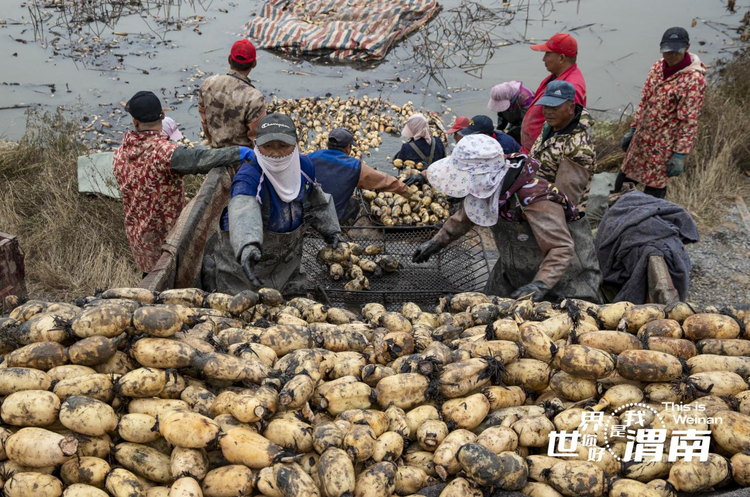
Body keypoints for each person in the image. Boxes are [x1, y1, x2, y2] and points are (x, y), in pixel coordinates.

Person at [411, 134, 602, 303]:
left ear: (482, 176)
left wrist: (541, 284)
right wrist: (437, 241)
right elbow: (466, 216)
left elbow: (560, 248)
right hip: (514, 268)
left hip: (564, 278)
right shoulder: (489, 187)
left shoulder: (536, 198)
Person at [113, 91, 253, 276]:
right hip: (167, 237)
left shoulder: (120, 153)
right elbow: (199, 159)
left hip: (138, 236)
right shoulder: (164, 153)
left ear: (135, 122)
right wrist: (238, 153)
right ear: (163, 115)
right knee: (170, 278)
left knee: (150, 278)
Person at [208, 113, 341, 295]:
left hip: (286, 264)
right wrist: (247, 246)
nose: (276, 153)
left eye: (283, 146)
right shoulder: (250, 176)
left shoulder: (303, 167)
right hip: (244, 268)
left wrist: (330, 228)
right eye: (268, 146)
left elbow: (315, 199)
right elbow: (242, 208)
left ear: (295, 144)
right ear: (256, 145)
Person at [615, 27, 707, 199]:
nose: (671, 55)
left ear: (686, 47)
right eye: (667, 51)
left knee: (652, 195)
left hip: (663, 148)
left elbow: (688, 121)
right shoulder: (657, 67)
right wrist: (633, 130)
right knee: (622, 186)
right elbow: (644, 102)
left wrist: (680, 154)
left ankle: (649, 223)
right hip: (641, 140)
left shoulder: (694, 80)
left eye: (676, 51)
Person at [309, 128, 413, 225]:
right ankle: (339, 230)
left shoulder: (310, 157)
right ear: (347, 148)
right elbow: (383, 180)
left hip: (307, 214)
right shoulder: (353, 166)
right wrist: (407, 191)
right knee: (354, 203)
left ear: (328, 144)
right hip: (329, 219)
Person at [529, 80, 595, 211]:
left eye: (554, 107)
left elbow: (565, 200)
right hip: (536, 199)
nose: (548, 112)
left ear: (571, 107)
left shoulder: (578, 149)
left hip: (557, 216)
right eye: (545, 106)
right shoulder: (550, 126)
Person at [521, 33, 586, 153]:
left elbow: (567, 128)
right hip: (532, 150)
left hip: (545, 155)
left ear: (561, 58)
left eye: (547, 54)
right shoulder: (556, 76)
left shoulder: (571, 87)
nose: (543, 59)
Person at [198, 39, 266, 149]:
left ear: (229, 60)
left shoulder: (208, 83)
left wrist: (211, 141)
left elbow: (205, 122)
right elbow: (257, 138)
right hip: (242, 159)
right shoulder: (254, 98)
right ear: (254, 64)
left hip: (214, 152)